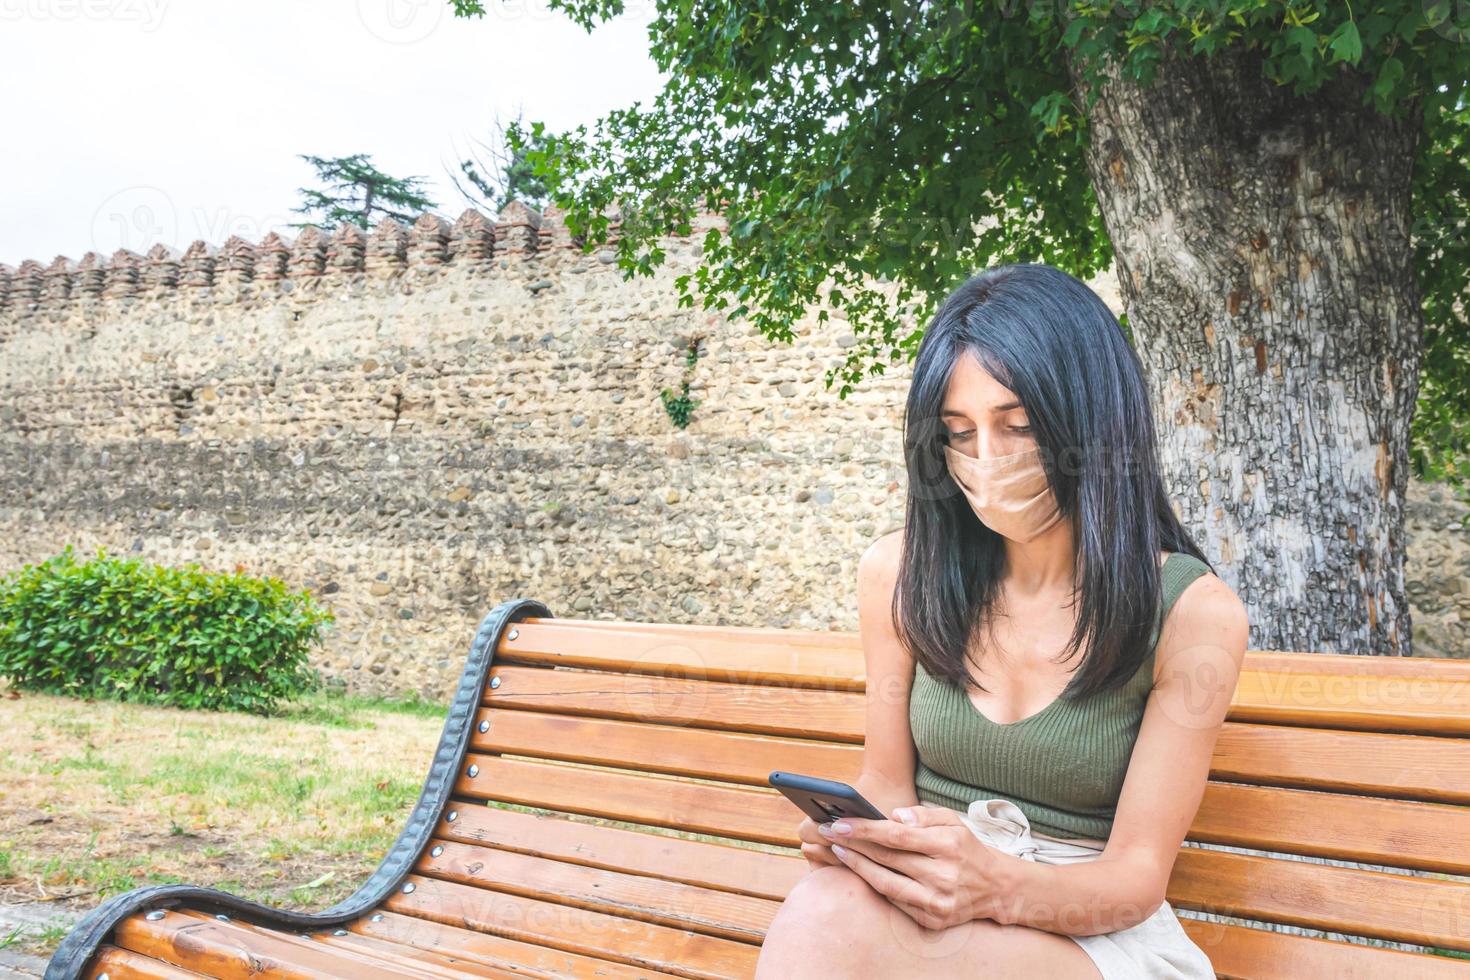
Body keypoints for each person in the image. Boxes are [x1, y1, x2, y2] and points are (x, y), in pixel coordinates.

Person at [755, 263, 1249, 978]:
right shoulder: (897, 575)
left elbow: (1135, 880)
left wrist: (994, 886)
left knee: (834, 929)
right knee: (824, 907)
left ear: (1092, 421)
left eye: (1017, 425)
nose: (987, 460)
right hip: (933, 904)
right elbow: (889, 786)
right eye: (959, 433)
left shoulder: (1192, 613)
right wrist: (865, 838)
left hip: (1089, 933)